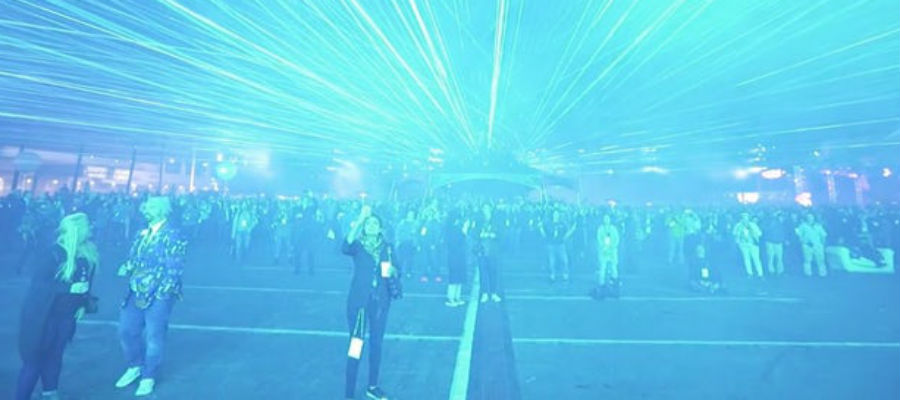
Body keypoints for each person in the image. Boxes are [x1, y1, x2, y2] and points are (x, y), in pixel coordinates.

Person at [16, 213, 98, 400]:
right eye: (87, 226)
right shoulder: (53, 253)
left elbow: (86, 283)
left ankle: (50, 393)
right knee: (34, 361)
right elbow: (38, 286)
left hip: (66, 317)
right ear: (77, 229)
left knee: (55, 356)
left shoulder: (86, 254)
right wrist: (68, 288)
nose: (90, 229)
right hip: (43, 317)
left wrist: (83, 304)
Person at [115, 196, 187, 397]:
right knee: (126, 330)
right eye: (146, 206)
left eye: (152, 207)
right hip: (135, 289)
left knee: (154, 335)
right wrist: (127, 266)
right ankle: (135, 365)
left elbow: (175, 267)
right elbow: (134, 257)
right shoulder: (142, 233)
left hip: (160, 293)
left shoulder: (174, 234)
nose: (146, 209)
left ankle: (149, 376)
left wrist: (162, 293)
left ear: (164, 210)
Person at [342, 205, 398, 400]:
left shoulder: (387, 248)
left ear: (380, 228)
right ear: (364, 227)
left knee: (376, 344)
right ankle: (349, 391)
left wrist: (393, 271)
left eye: (375, 223)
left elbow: (397, 269)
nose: (372, 226)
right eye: (368, 223)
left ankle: (372, 386)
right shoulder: (358, 246)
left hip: (380, 303)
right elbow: (346, 244)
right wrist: (360, 218)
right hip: (359, 303)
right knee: (356, 345)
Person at [471, 204, 502, 303]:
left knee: (493, 272)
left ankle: (493, 293)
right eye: (484, 208)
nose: (486, 210)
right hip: (482, 251)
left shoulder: (496, 221)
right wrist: (480, 234)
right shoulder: (479, 221)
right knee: (483, 273)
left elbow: (502, 234)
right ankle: (484, 293)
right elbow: (473, 233)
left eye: (487, 208)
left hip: (493, 251)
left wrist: (495, 235)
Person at [539, 209, 575, 282]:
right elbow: (544, 235)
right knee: (552, 262)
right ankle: (552, 275)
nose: (556, 216)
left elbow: (566, 234)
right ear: (552, 215)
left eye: (557, 214)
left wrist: (572, 230)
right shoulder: (549, 224)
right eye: (555, 214)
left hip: (560, 245)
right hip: (551, 245)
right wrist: (540, 228)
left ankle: (565, 275)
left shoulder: (562, 224)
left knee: (565, 261)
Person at [594, 214, 620, 298]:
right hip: (603, 251)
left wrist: (612, 246)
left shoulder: (613, 229)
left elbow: (617, 239)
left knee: (614, 267)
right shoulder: (600, 229)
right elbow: (599, 239)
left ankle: (614, 283)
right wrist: (604, 247)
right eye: (605, 218)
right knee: (603, 268)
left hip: (612, 251)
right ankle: (601, 284)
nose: (606, 220)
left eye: (607, 218)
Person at [733, 212, 763, 278]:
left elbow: (760, 233)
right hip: (743, 245)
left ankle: (760, 274)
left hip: (753, 244)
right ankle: (750, 273)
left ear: (749, 218)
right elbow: (734, 234)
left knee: (756, 259)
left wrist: (753, 232)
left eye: (746, 218)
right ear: (741, 219)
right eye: (743, 218)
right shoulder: (738, 225)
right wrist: (739, 240)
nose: (745, 220)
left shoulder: (753, 225)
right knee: (746, 259)